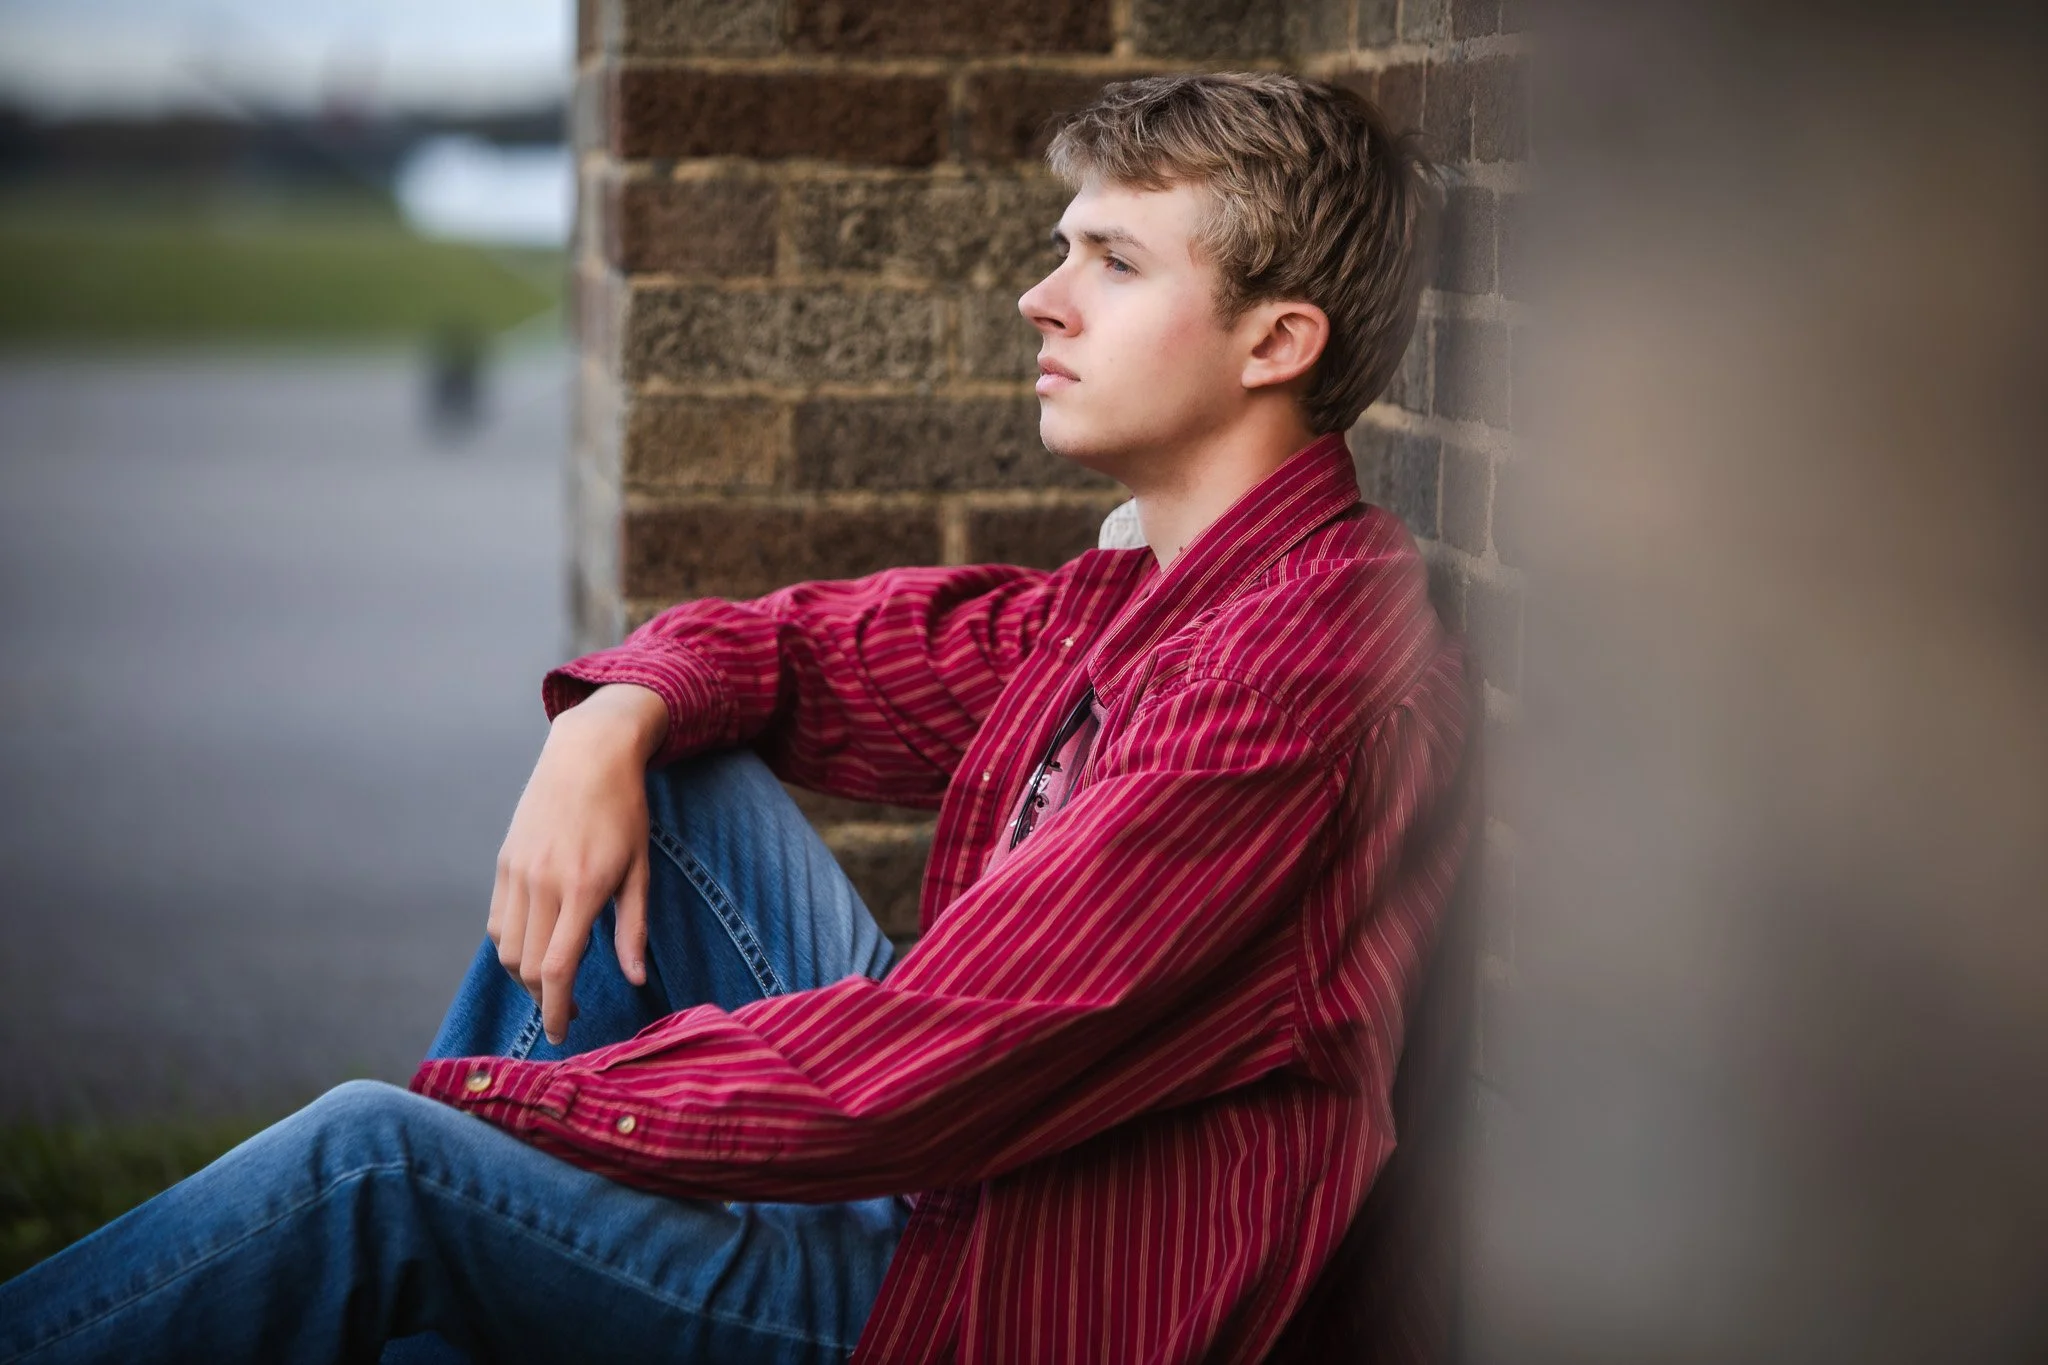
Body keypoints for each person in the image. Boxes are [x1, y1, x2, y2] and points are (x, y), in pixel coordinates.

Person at [0, 71, 1472, 1364]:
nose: (1042, 295)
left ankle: (427, 1248)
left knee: (373, 1166)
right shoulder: (1150, 593)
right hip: (958, 1196)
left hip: (992, 1297)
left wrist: (499, 1114)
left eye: (1112, 260)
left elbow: (933, 1060)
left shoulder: (1294, 677)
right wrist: (613, 718)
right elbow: (806, 654)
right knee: (679, 775)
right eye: (1061, 247)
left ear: (1274, 343)